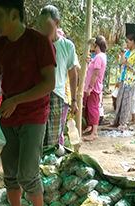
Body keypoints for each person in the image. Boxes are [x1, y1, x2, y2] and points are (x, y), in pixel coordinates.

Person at [0, 0, 56, 206]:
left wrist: (16, 100)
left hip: (34, 114)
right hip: (8, 116)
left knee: (28, 172)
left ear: (14, 14)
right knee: (10, 173)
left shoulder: (38, 42)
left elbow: (49, 83)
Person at [38, 5, 79, 148]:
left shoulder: (67, 46)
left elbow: (73, 74)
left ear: (57, 23)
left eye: (46, 23)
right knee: (38, 136)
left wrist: (74, 100)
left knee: (54, 138)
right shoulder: (37, 45)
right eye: (41, 24)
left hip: (58, 96)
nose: (43, 27)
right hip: (38, 95)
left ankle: (51, 166)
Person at [111, 33, 135, 131]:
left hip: (130, 81)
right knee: (119, 100)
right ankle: (116, 121)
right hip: (123, 79)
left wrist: (129, 65)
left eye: (128, 42)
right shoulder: (128, 52)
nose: (127, 44)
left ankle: (123, 122)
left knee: (126, 102)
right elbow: (122, 64)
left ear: (133, 42)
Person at [82, 36, 107, 141]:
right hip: (92, 87)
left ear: (96, 45)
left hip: (93, 88)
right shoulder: (100, 56)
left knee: (93, 109)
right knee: (88, 108)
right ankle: (90, 127)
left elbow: (96, 74)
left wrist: (90, 87)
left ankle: (94, 132)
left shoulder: (99, 57)